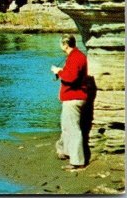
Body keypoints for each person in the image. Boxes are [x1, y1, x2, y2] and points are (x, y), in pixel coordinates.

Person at [50, 34, 89, 171]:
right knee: (67, 127)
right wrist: (61, 71)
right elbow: (73, 75)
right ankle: (65, 152)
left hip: (73, 99)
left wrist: (58, 72)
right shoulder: (78, 56)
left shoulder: (75, 58)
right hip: (74, 98)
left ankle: (77, 162)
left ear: (65, 45)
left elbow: (71, 78)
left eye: (61, 44)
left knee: (73, 130)